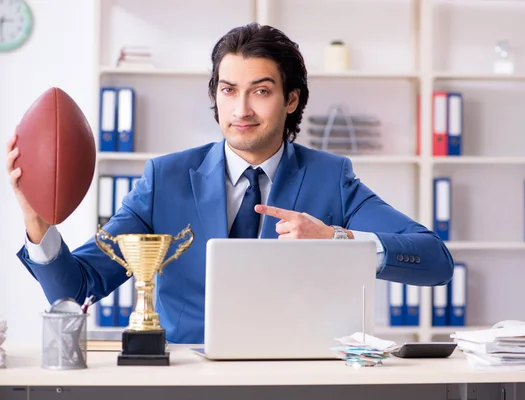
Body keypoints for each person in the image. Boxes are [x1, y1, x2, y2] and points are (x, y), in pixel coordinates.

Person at [6, 23, 453, 344]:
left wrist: (339, 239)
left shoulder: (330, 177)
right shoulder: (165, 178)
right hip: (186, 382)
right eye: (227, 90)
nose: (241, 109)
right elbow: (77, 287)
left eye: (260, 91)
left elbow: (435, 260)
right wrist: (37, 220)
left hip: (298, 381)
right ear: (215, 96)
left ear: (291, 99)